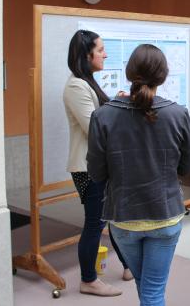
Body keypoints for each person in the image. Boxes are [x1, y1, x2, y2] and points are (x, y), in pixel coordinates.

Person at [87, 44, 190, 305]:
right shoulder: (178, 114)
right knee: (152, 290)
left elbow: (97, 173)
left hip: (124, 219)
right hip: (166, 215)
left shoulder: (103, 115)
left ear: (129, 72)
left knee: (146, 287)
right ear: (163, 75)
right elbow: (186, 167)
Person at [63, 30, 128, 297]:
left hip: (99, 165)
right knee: (95, 223)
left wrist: (116, 102)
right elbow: (95, 127)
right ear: (85, 54)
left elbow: (100, 115)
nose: (105, 54)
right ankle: (88, 280)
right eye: (100, 50)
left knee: (112, 217)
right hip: (87, 167)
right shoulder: (76, 85)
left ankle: (127, 265)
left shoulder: (88, 82)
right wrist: (116, 108)